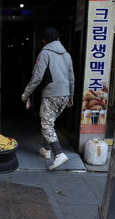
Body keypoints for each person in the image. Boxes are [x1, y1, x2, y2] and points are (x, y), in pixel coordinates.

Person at [21, 27, 75, 170]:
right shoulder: (67, 55)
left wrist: (26, 93)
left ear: (44, 41)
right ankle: (46, 149)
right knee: (50, 121)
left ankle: (58, 154)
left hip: (51, 95)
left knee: (46, 125)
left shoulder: (44, 53)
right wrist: (71, 96)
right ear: (58, 39)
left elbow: (37, 77)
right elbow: (71, 78)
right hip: (64, 96)